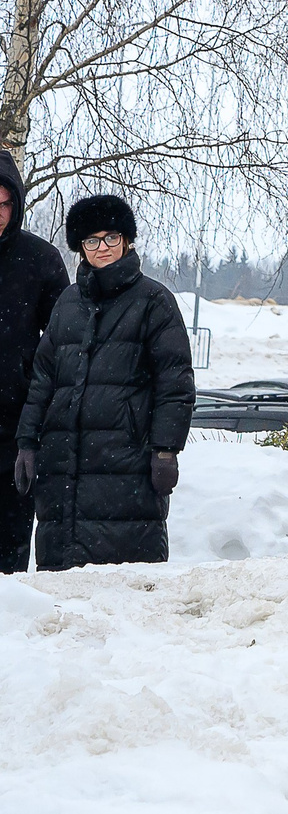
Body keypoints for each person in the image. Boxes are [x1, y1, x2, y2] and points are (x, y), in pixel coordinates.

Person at [13, 194, 193, 570]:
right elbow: (43, 379)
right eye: (91, 240)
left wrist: (165, 450)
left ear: (126, 240)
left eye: (111, 237)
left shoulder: (153, 301)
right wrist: (28, 443)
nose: (103, 248)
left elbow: (174, 383)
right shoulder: (67, 303)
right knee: (63, 596)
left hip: (125, 463)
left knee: (124, 590)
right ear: (81, 248)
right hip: (63, 466)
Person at [0, 150, 70, 572]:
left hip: (15, 428)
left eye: (2, 203)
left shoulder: (40, 260)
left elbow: (63, 343)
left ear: (15, 204)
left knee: (8, 545)